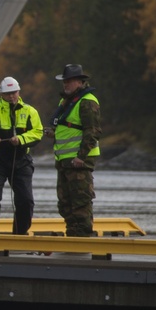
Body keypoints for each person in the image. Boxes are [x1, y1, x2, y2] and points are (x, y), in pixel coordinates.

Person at [0, 76, 44, 235]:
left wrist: (20, 139)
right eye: (8, 93)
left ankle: (20, 233)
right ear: (2, 95)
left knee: (26, 200)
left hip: (21, 161)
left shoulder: (30, 111)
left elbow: (37, 132)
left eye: (14, 92)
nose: (11, 96)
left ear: (19, 91)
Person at [50, 64, 101, 237]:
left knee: (80, 201)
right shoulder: (66, 101)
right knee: (65, 202)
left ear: (80, 82)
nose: (66, 84)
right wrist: (52, 133)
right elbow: (68, 127)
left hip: (79, 161)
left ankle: (83, 235)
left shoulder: (87, 101)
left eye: (70, 81)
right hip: (64, 160)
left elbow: (92, 131)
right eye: (65, 81)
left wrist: (81, 157)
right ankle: (73, 234)